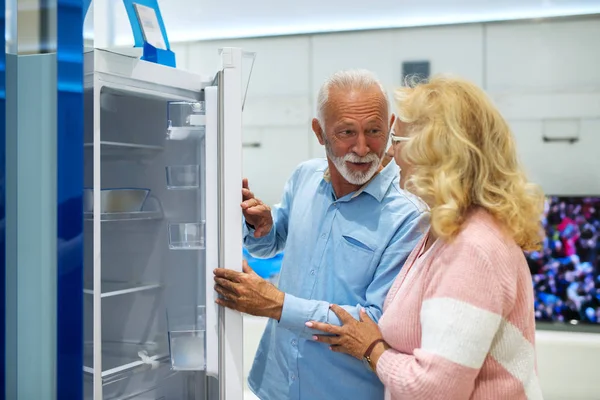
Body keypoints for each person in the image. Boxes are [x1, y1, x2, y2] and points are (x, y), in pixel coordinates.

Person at [307, 75, 546, 399]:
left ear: (434, 153)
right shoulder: (444, 229)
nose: (389, 152)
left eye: (398, 139)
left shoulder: (473, 249)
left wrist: (371, 348)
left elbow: (433, 390)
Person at [213, 69, 428, 400]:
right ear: (319, 131)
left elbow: (376, 321)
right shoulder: (306, 176)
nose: (362, 147)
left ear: (391, 127)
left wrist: (277, 305)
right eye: (346, 132)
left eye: (374, 131)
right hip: (276, 383)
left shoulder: (409, 217)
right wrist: (261, 226)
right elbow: (272, 242)